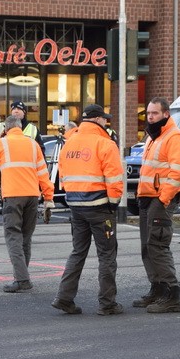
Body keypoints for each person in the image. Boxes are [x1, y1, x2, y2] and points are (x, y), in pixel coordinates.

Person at [52, 104, 125, 316]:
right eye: (104, 119)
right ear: (97, 120)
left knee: (78, 252)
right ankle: (107, 303)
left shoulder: (69, 143)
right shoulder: (105, 143)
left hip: (76, 206)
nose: (106, 122)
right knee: (107, 255)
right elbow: (114, 178)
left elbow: (63, 176)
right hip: (100, 207)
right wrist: (113, 203)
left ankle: (64, 298)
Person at [0, 114, 54, 293]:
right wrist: (49, 197)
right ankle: (23, 276)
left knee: (13, 237)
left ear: (6, 128)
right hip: (32, 196)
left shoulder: (2, 143)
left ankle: (22, 280)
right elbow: (43, 174)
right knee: (25, 238)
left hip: (13, 196)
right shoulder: (33, 144)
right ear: (20, 127)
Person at [134, 97, 180, 314]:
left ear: (166, 114)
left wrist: (163, 199)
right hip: (148, 198)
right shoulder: (153, 136)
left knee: (158, 246)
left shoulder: (175, 137)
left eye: (154, 113)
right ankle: (157, 289)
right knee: (147, 247)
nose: (150, 117)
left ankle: (172, 294)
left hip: (160, 199)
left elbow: (178, 173)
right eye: (148, 113)